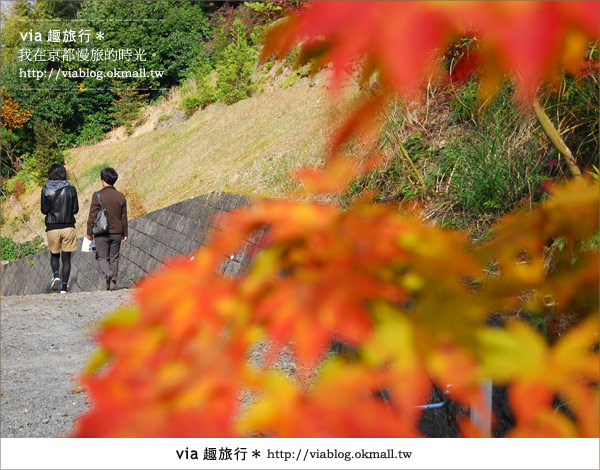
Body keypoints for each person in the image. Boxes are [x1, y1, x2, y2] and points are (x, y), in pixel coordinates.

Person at [86, 167, 128, 291]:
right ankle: (112, 281)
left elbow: (92, 215)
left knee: (102, 257)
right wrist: (125, 233)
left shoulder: (97, 195)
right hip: (117, 232)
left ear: (103, 180)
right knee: (114, 257)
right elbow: (124, 217)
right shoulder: (120, 196)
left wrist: (89, 232)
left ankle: (109, 275)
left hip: (101, 233)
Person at [41, 163, 79, 294]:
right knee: (66, 258)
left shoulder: (46, 189)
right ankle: (64, 287)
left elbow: (44, 210)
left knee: (54, 254)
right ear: (63, 173)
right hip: (68, 227)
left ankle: (56, 275)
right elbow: (76, 209)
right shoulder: (71, 189)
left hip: (52, 227)